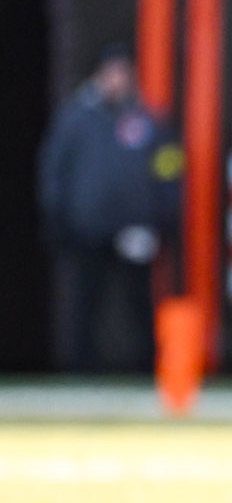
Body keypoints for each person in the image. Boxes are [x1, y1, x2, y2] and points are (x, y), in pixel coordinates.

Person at [37, 42, 182, 373]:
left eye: (123, 73)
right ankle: (78, 369)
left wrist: (164, 215)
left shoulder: (148, 120)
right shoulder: (75, 119)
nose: (117, 80)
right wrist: (57, 215)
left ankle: (149, 368)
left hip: (134, 229)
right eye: (111, 73)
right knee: (86, 301)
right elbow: (54, 169)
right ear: (99, 76)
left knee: (139, 304)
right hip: (88, 228)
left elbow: (169, 167)